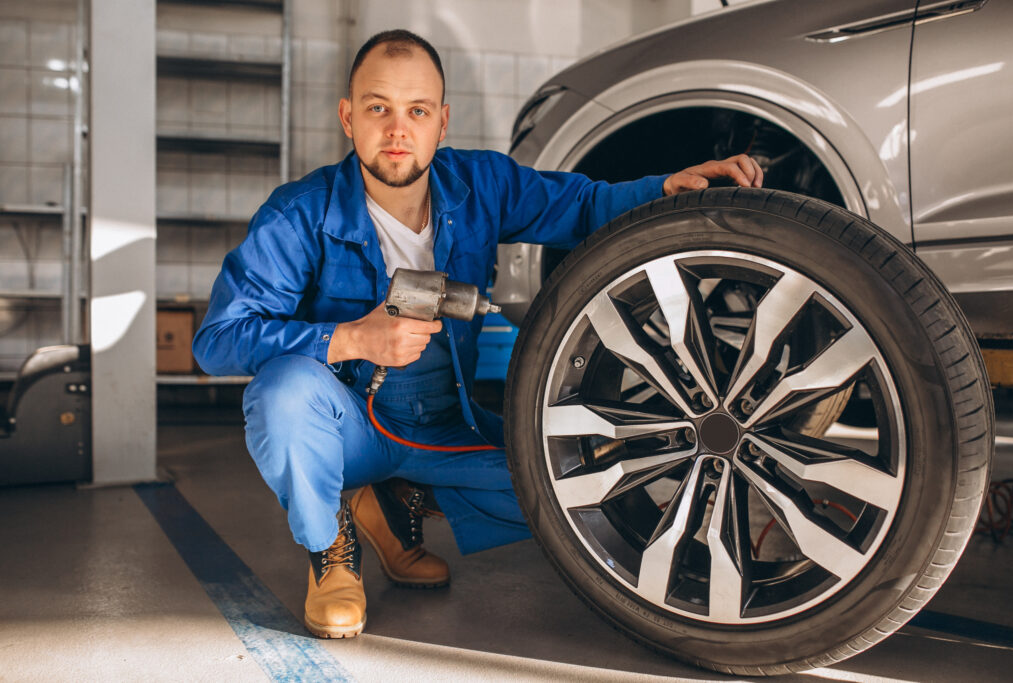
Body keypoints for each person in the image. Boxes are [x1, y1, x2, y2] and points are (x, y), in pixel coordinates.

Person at [192, 28, 763, 639]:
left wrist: (665, 188)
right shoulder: (299, 214)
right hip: (349, 423)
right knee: (281, 396)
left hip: (445, 423)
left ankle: (394, 503)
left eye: (416, 111)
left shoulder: (481, 185)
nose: (397, 130)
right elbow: (218, 340)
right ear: (348, 117)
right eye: (378, 108)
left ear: (442, 123)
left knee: (569, 498)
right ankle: (330, 548)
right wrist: (351, 339)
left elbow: (583, 206)